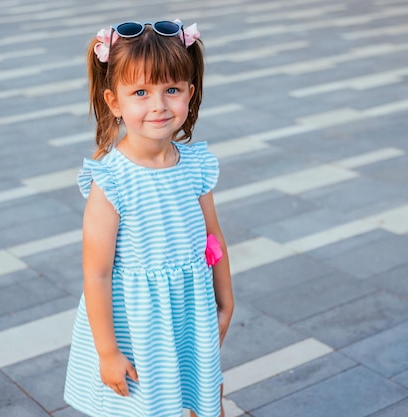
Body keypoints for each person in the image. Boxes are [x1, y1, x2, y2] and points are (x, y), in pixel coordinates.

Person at [64, 19, 234, 417]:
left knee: (203, 401)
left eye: (171, 90)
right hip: (139, 327)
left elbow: (213, 240)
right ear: (114, 102)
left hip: (190, 314)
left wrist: (225, 302)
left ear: (189, 95)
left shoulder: (194, 165)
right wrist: (108, 352)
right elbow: (97, 274)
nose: (158, 104)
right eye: (140, 92)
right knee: (147, 408)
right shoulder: (111, 180)